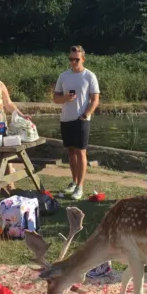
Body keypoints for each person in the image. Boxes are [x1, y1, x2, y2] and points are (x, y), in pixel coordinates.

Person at [53, 45, 100, 201]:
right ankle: (74, 181)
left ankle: (80, 186)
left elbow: (95, 100)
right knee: (71, 152)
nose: (73, 62)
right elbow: (55, 98)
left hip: (81, 119)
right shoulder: (63, 76)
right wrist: (65, 98)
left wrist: (86, 114)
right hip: (66, 118)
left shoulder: (89, 76)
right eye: (71, 59)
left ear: (83, 59)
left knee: (81, 152)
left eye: (76, 59)